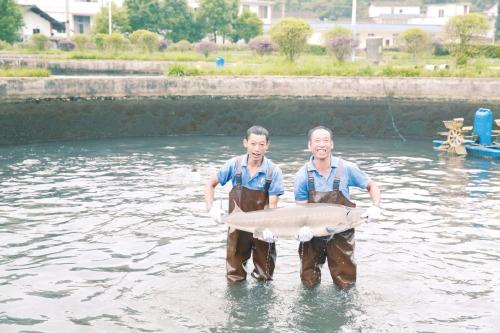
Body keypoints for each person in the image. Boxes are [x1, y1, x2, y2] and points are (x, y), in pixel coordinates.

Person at [294, 126, 381, 289]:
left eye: (325, 140)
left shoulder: (346, 168)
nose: (322, 145)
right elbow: (301, 211)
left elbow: (371, 185)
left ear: (332, 144)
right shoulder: (302, 175)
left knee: (346, 286)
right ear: (309, 146)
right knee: (308, 283)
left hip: (342, 233)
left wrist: (375, 206)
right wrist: (301, 231)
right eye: (317, 141)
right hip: (312, 235)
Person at [204, 126, 284, 282]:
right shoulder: (234, 165)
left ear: (268, 145)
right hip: (237, 227)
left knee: (265, 277)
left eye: (261, 144)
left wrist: (271, 228)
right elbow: (210, 184)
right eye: (253, 143)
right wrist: (210, 208)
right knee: (234, 276)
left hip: (263, 228)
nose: (257, 149)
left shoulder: (274, 171)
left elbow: (273, 206)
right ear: (245, 143)